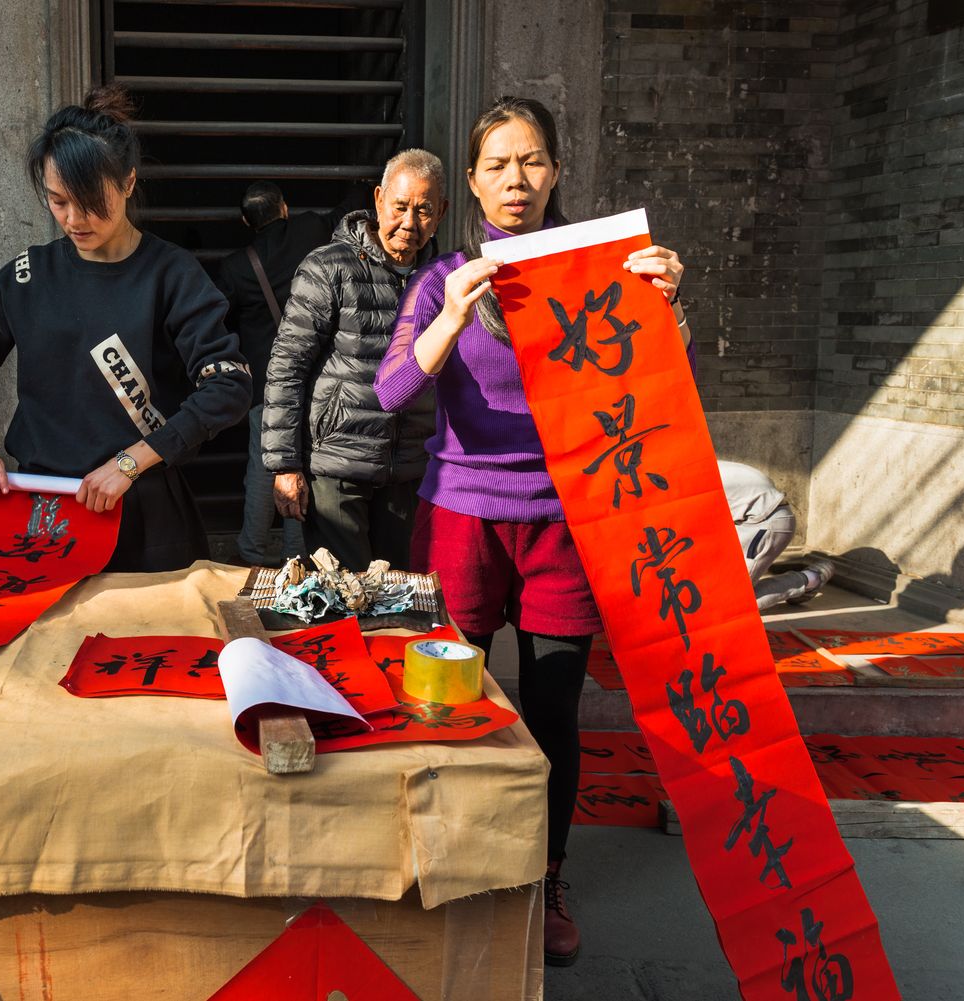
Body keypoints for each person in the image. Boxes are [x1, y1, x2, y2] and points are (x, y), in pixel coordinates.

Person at [373, 97, 693, 967]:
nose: (518, 181)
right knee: (447, 704)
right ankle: (447, 866)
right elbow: (391, 391)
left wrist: (666, 306)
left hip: (564, 521)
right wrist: (447, 315)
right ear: (471, 182)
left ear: (556, 171)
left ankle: (547, 875)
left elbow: (657, 385)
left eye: (534, 162)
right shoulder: (442, 277)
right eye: (499, 166)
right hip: (460, 524)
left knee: (552, 710)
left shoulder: (603, 267)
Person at [0, 86, 251, 572]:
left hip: (142, 506)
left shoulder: (172, 274)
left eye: (89, 201)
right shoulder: (26, 275)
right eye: (59, 201)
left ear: (128, 182)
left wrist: (131, 462)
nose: (73, 219)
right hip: (43, 508)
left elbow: (229, 385)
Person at [260, 150, 448, 571]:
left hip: (410, 472)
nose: (409, 223)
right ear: (379, 200)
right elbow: (287, 367)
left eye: (424, 211)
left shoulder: (444, 279)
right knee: (343, 599)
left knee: (399, 599)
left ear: (442, 214)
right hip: (336, 468)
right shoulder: (328, 268)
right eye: (400, 207)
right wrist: (285, 464)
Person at [215, 181, 329, 566]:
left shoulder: (234, 268)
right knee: (304, 470)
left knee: (263, 473)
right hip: (316, 380)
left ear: (247, 221)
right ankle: (296, 554)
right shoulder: (312, 230)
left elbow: (219, 320)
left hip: (266, 385)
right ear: (284, 208)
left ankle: (252, 552)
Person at [720, 460, 835, 610]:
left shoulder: (687, 477)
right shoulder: (696, 467)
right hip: (756, 518)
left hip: (764, 522)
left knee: (729, 604)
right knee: (716, 592)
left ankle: (810, 579)